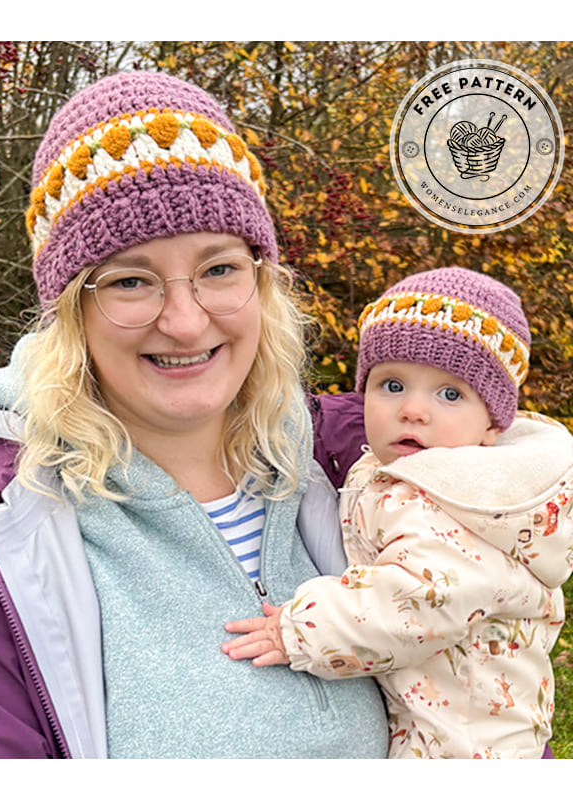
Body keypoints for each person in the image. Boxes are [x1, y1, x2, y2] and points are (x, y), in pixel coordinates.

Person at [0, 70, 389, 758]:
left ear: (263, 281)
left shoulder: (354, 462)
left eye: (219, 269)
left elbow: (485, 703)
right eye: (132, 281)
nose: (187, 321)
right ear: (71, 313)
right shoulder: (4, 530)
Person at [223, 267, 573, 759]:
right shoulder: (398, 470)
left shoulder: (454, 497)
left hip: (463, 747)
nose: (412, 410)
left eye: (450, 394)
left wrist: (299, 630)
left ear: (493, 424)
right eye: (391, 385)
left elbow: (418, 599)